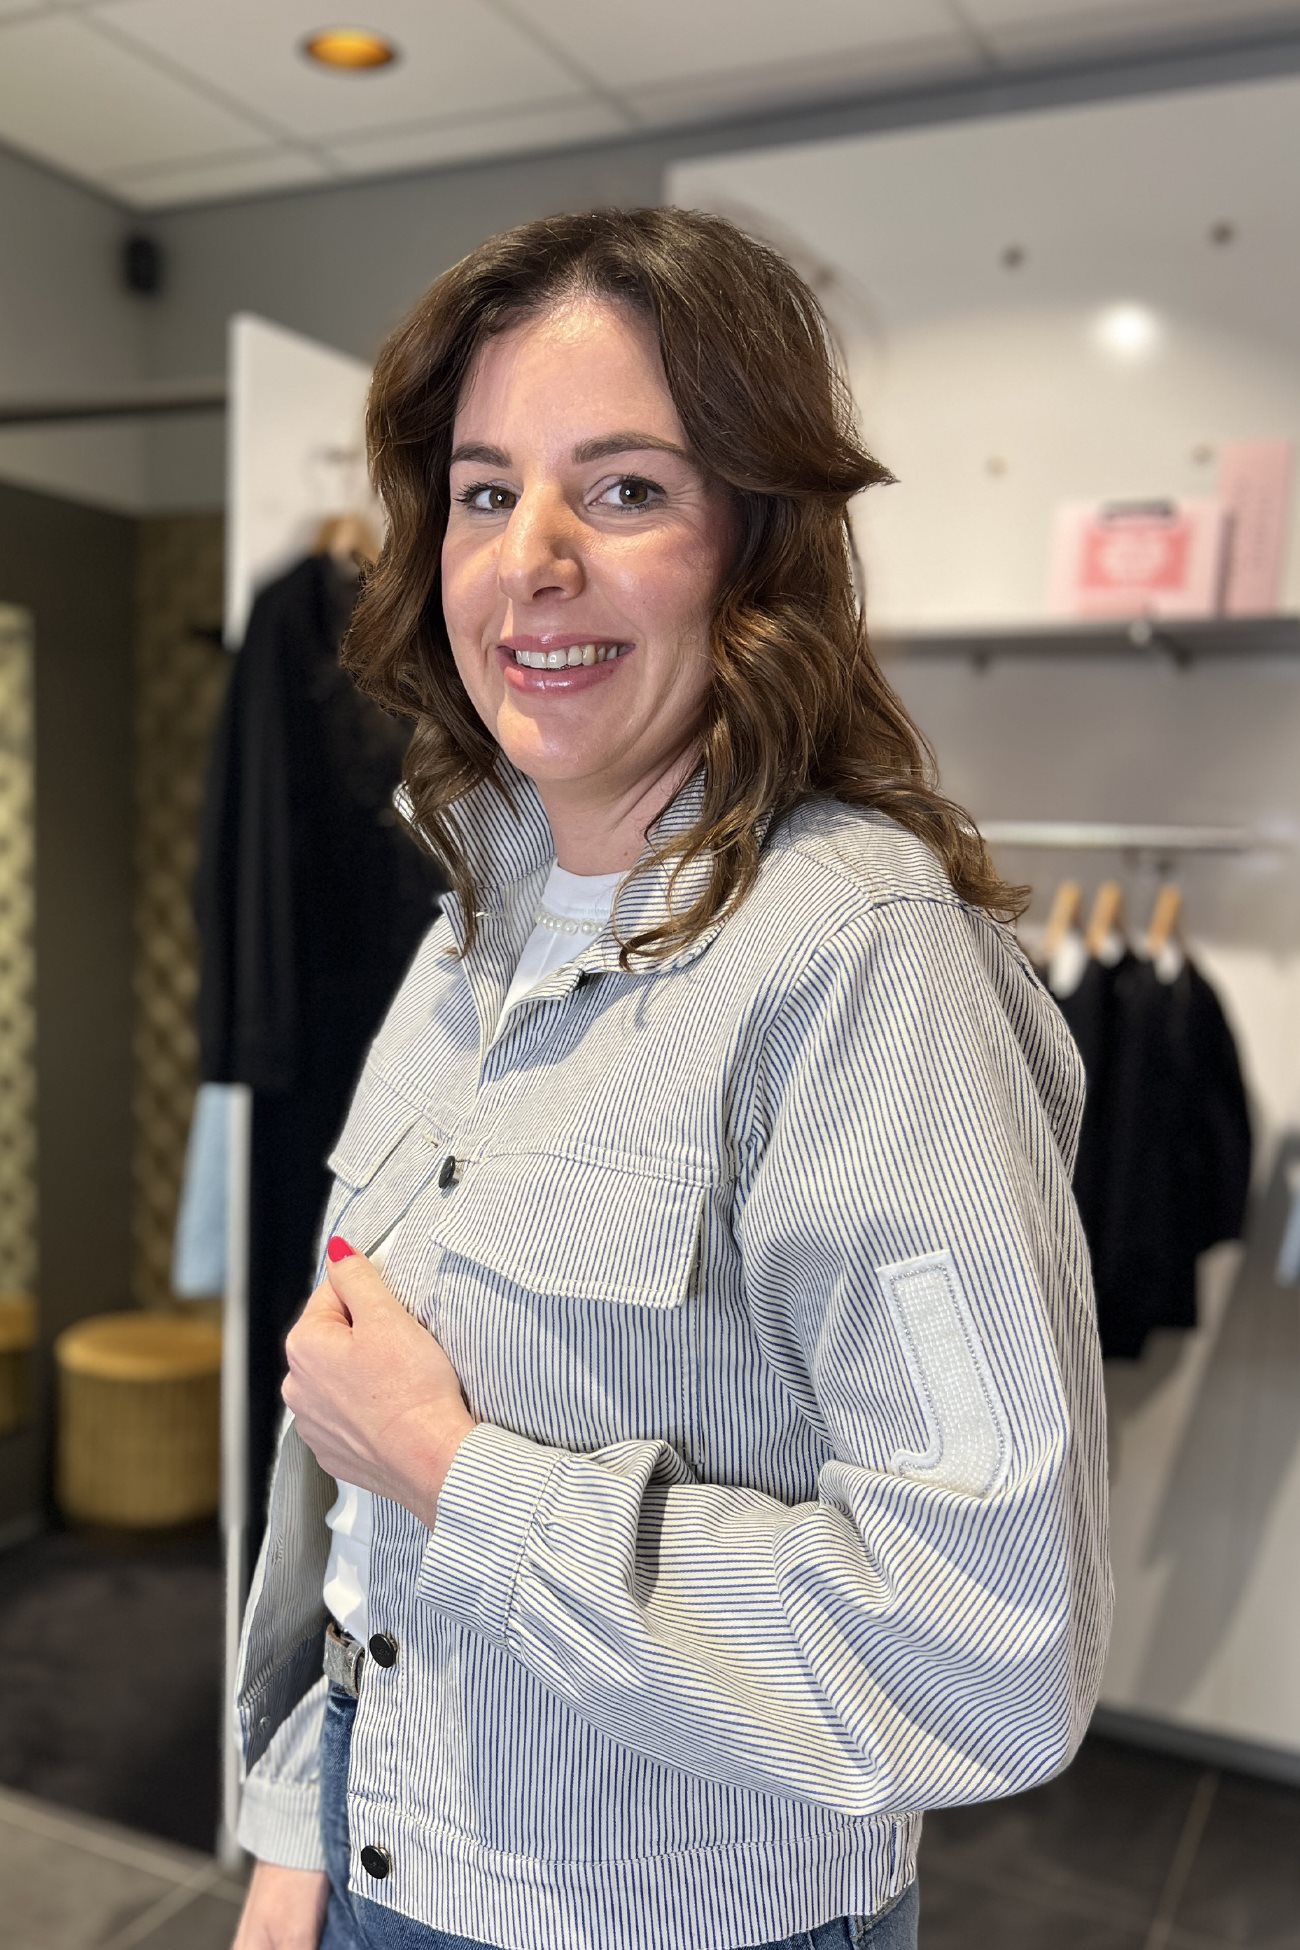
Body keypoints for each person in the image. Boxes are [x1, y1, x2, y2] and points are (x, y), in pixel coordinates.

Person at [230, 205, 1111, 1950]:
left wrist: (460, 1471)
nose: (530, 560)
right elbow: (356, 1503)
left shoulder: (858, 964)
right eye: (486, 492)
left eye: (623, 489)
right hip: (378, 1865)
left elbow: (993, 1640)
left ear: (754, 546)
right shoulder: (470, 925)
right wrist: (293, 1832)